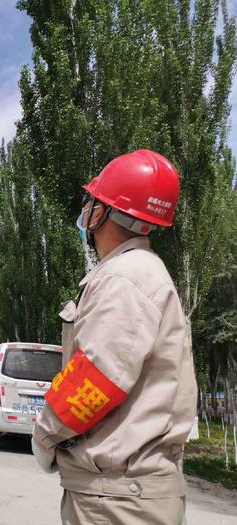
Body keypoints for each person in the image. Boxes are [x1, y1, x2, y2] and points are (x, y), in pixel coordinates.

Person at [31, 150, 198, 525]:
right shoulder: (141, 273)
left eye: (92, 201)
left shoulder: (124, 279)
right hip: (127, 493)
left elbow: (96, 378)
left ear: (103, 211)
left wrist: (45, 435)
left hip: (117, 498)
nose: (85, 212)